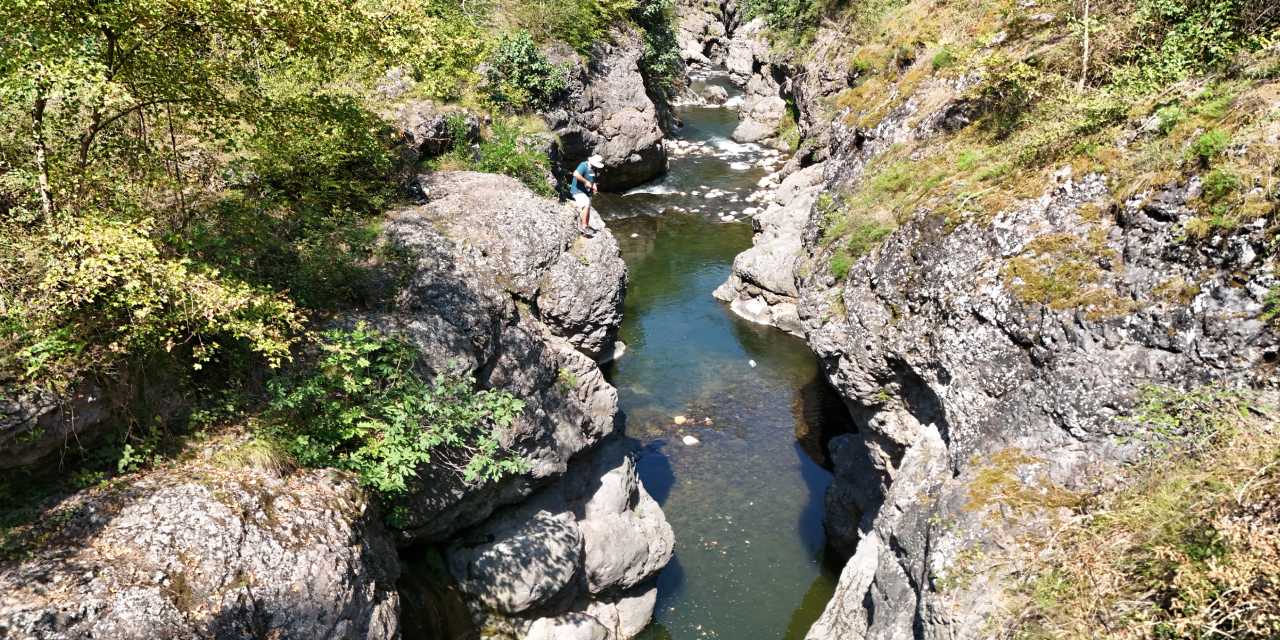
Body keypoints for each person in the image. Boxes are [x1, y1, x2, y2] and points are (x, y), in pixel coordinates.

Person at [571, 154, 604, 237]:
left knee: (588, 205)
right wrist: (586, 182)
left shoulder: (594, 169)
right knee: (586, 203)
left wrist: (594, 186)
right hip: (577, 190)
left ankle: (586, 226)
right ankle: (584, 227)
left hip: (586, 192)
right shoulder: (583, 165)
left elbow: (592, 180)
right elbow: (575, 174)